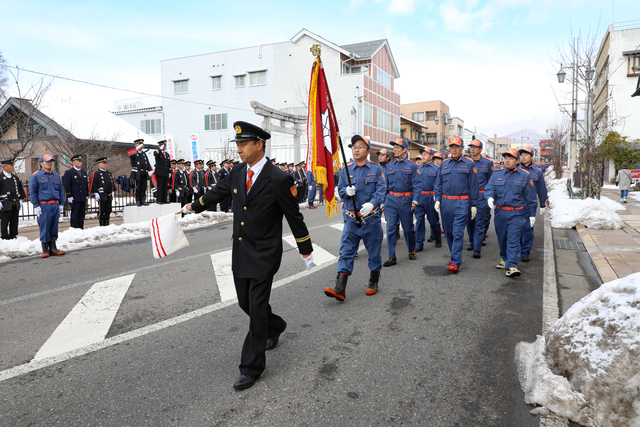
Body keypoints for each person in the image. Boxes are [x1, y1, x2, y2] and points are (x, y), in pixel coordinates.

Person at [184, 121, 313, 390]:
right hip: (241, 250)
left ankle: (251, 367)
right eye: (238, 145)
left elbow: (294, 216)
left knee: (255, 310)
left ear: (259, 144)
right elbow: (218, 192)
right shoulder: (238, 171)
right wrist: (193, 206)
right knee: (246, 303)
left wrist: (305, 249)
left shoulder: (279, 178)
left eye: (243, 144)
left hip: (265, 254)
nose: (239, 149)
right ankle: (275, 325)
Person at [325, 135, 386, 301]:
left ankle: (373, 281)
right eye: (354, 147)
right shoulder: (347, 169)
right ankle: (340, 287)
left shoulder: (376, 169)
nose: (356, 149)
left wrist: (372, 203)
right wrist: (346, 192)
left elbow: (381, 190)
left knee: (373, 252)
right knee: (346, 252)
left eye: (360, 146)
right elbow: (341, 189)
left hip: (371, 219)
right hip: (351, 219)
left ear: (368, 150)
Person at [484, 149, 537, 277]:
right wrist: (489, 197)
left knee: (513, 239)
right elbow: (489, 188)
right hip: (501, 213)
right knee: (502, 239)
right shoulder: (496, 175)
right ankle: (504, 257)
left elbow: (530, 197)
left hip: (517, 214)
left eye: (511, 158)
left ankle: (511, 266)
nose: (507, 160)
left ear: (517, 161)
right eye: (505, 158)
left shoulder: (524, 175)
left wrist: (531, 214)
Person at [434, 137, 479, 274]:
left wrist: (473, 204)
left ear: (461, 148)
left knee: (458, 232)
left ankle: (455, 261)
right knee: (448, 232)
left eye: (456, 147)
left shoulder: (469, 164)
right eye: (451, 147)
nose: (454, 149)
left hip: (462, 202)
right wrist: (437, 199)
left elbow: (473, 186)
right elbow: (438, 184)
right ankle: (454, 253)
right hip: (446, 202)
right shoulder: (444, 164)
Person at [382, 139, 421, 267]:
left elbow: (417, 185)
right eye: (394, 147)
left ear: (405, 150)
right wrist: (383, 202)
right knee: (391, 228)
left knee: (408, 229)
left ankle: (411, 250)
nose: (395, 149)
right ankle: (391, 256)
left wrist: (415, 200)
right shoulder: (389, 166)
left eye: (398, 147)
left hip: (406, 200)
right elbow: (384, 186)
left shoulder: (412, 166)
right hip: (391, 200)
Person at [30, 154, 66, 257]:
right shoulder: (35, 176)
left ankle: (53, 248)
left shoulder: (56, 176)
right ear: (41, 163)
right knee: (45, 227)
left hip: (55, 204)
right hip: (44, 205)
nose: (49, 163)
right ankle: (45, 249)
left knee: (54, 226)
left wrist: (61, 204)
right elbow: (33, 192)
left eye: (50, 161)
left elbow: (60, 190)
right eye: (47, 161)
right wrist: (36, 206)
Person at [518, 147, 549, 262]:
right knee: (516, 227)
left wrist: (542, 204)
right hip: (516, 202)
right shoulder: (515, 169)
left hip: (530, 203)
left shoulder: (537, 172)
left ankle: (525, 251)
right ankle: (516, 248)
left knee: (528, 228)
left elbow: (542, 189)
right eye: (522, 155)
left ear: (532, 157)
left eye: (526, 155)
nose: (523, 157)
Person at [466, 139, 494, 258]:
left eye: (475, 147)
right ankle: (472, 241)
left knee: (480, 221)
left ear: (481, 149)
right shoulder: (466, 162)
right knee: (470, 221)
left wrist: (489, 196)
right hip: (468, 196)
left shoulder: (488, 163)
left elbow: (491, 181)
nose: (472, 149)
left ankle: (477, 248)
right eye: (471, 147)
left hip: (482, 196)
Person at [415, 147, 442, 251]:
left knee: (434, 221)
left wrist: (438, 199)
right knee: (419, 222)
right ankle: (419, 243)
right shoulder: (418, 169)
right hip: (420, 197)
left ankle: (438, 238)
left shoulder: (436, 169)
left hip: (431, 198)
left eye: (425, 154)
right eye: (422, 154)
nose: (423, 156)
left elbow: (439, 185)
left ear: (431, 156)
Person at [0, 159, 27, 240]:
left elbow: (19, 188)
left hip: (15, 202)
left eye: (13, 165)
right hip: (5, 203)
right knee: (5, 221)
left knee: (14, 220)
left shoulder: (15, 177)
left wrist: (21, 199)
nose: (13, 167)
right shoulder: (0, 177)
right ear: (4, 167)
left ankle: (13, 235)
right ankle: (4, 236)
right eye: (11, 165)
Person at [62, 154, 89, 229]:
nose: (81, 163)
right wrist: (69, 195)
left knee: (82, 214)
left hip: (82, 196)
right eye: (79, 161)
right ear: (74, 162)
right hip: (75, 196)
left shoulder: (83, 172)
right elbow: (67, 185)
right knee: (75, 214)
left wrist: (86, 193)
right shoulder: (69, 172)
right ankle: (74, 228)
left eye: (81, 161)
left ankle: (81, 228)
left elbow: (85, 184)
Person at [90, 157, 117, 226]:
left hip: (109, 195)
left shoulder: (108, 173)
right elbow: (94, 183)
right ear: (99, 164)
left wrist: (113, 191)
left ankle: (107, 224)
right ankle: (102, 224)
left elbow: (111, 182)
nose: (105, 165)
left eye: (106, 163)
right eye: (103, 163)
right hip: (101, 195)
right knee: (102, 211)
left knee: (108, 210)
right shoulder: (96, 173)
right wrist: (96, 193)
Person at [129, 139, 153, 206]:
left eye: (142, 145)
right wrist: (136, 149)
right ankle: (138, 200)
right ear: (136, 146)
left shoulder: (143, 153)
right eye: (140, 145)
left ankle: (143, 200)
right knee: (138, 187)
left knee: (143, 187)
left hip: (144, 172)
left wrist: (149, 169)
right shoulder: (134, 153)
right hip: (137, 172)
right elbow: (130, 154)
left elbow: (146, 162)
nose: (142, 147)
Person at [153, 140, 171, 204]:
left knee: (165, 186)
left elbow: (168, 164)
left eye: (165, 145)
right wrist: (160, 149)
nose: (165, 147)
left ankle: (164, 199)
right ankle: (159, 200)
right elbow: (156, 155)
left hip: (165, 173)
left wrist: (169, 172)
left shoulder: (167, 154)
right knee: (160, 186)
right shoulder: (157, 152)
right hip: (160, 172)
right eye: (163, 145)